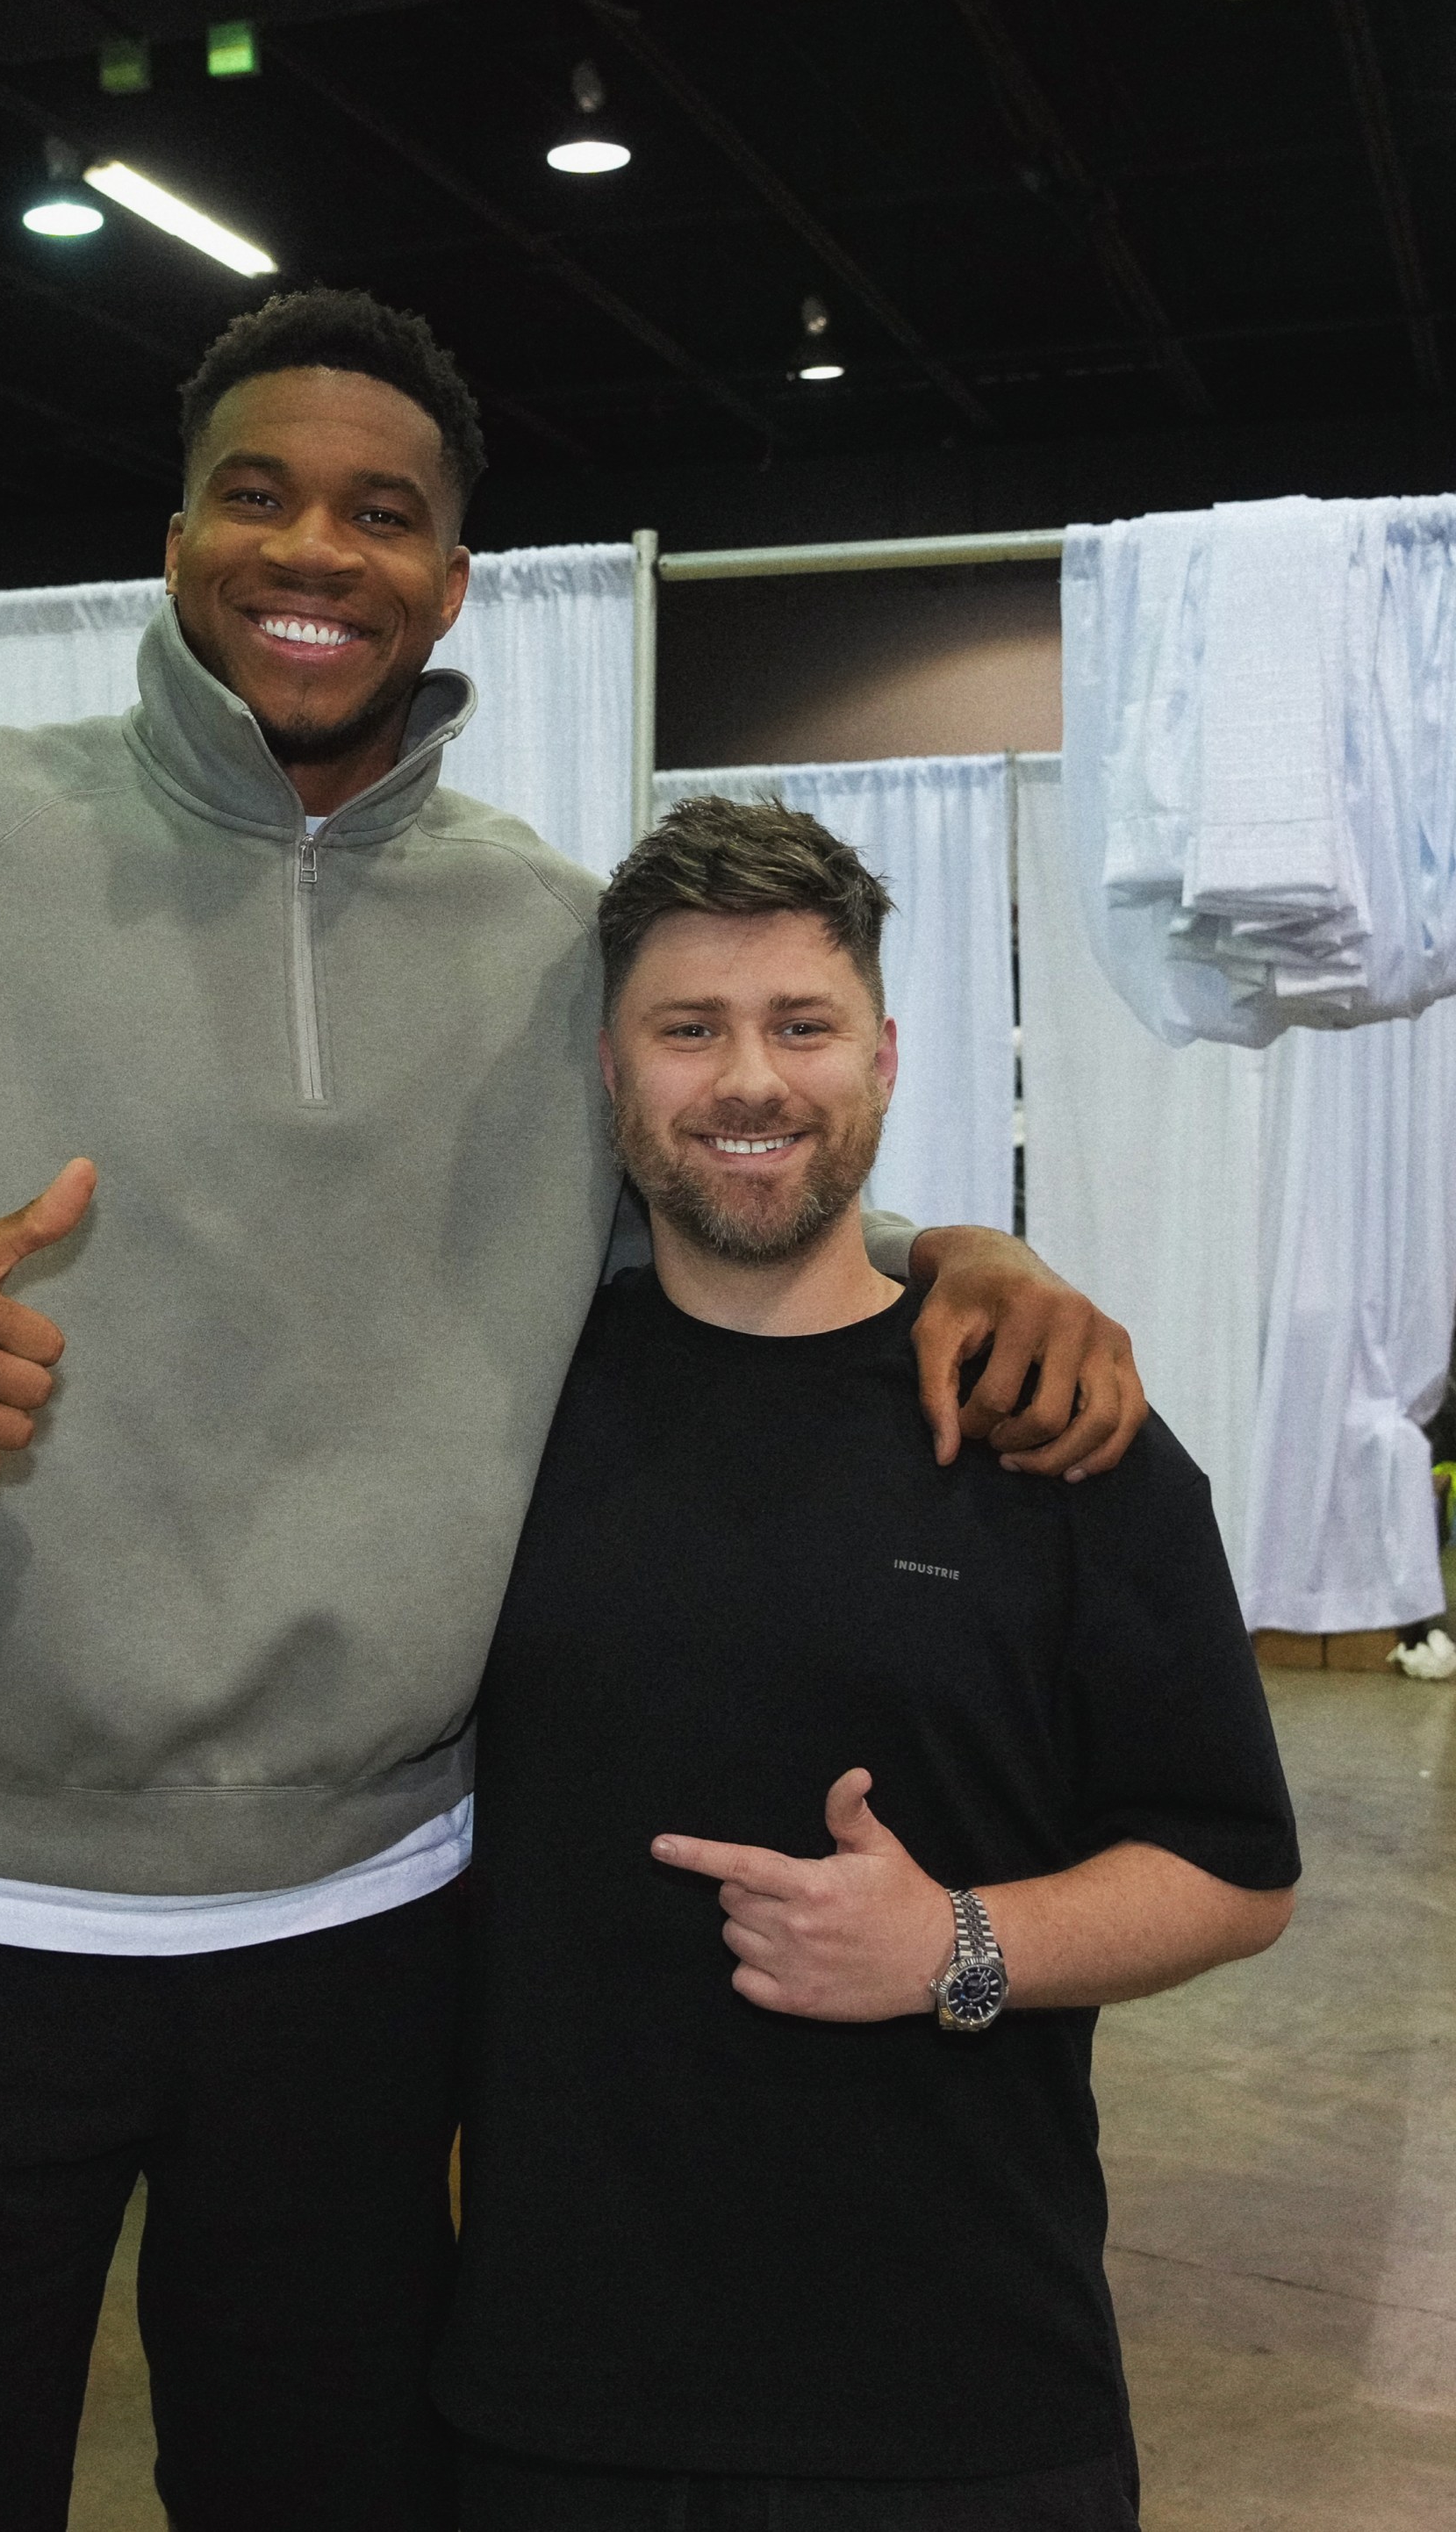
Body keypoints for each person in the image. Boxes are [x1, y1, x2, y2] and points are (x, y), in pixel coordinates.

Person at [0, 290, 1147, 2532]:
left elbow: (697, 1235)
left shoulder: (538, 935)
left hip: (368, 1912)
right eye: (260, 490)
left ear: (452, 580)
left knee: (322, 2490)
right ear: (182, 530)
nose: (315, 546)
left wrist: (954, 1259)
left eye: (381, 511)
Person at [431, 796, 1299, 2532]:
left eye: (800, 1026)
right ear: (614, 1070)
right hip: (552, 2399)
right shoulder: (497, 1412)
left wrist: (957, 1943)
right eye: (692, 1030)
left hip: (961, 2402)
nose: (748, 1080)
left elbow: (1233, 1867)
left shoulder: (1055, 1429)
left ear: (885, 1058)